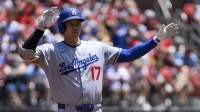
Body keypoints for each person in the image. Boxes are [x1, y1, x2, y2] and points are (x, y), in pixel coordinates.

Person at [18, 7, 179, 112]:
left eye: (78, 23)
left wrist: (156, 39)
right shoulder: (50, 50)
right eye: (70, 24)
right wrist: (40, 29)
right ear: (61, 28)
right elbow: (25, 54)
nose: (75, 27)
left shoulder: (97, 47)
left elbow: (130, 55)